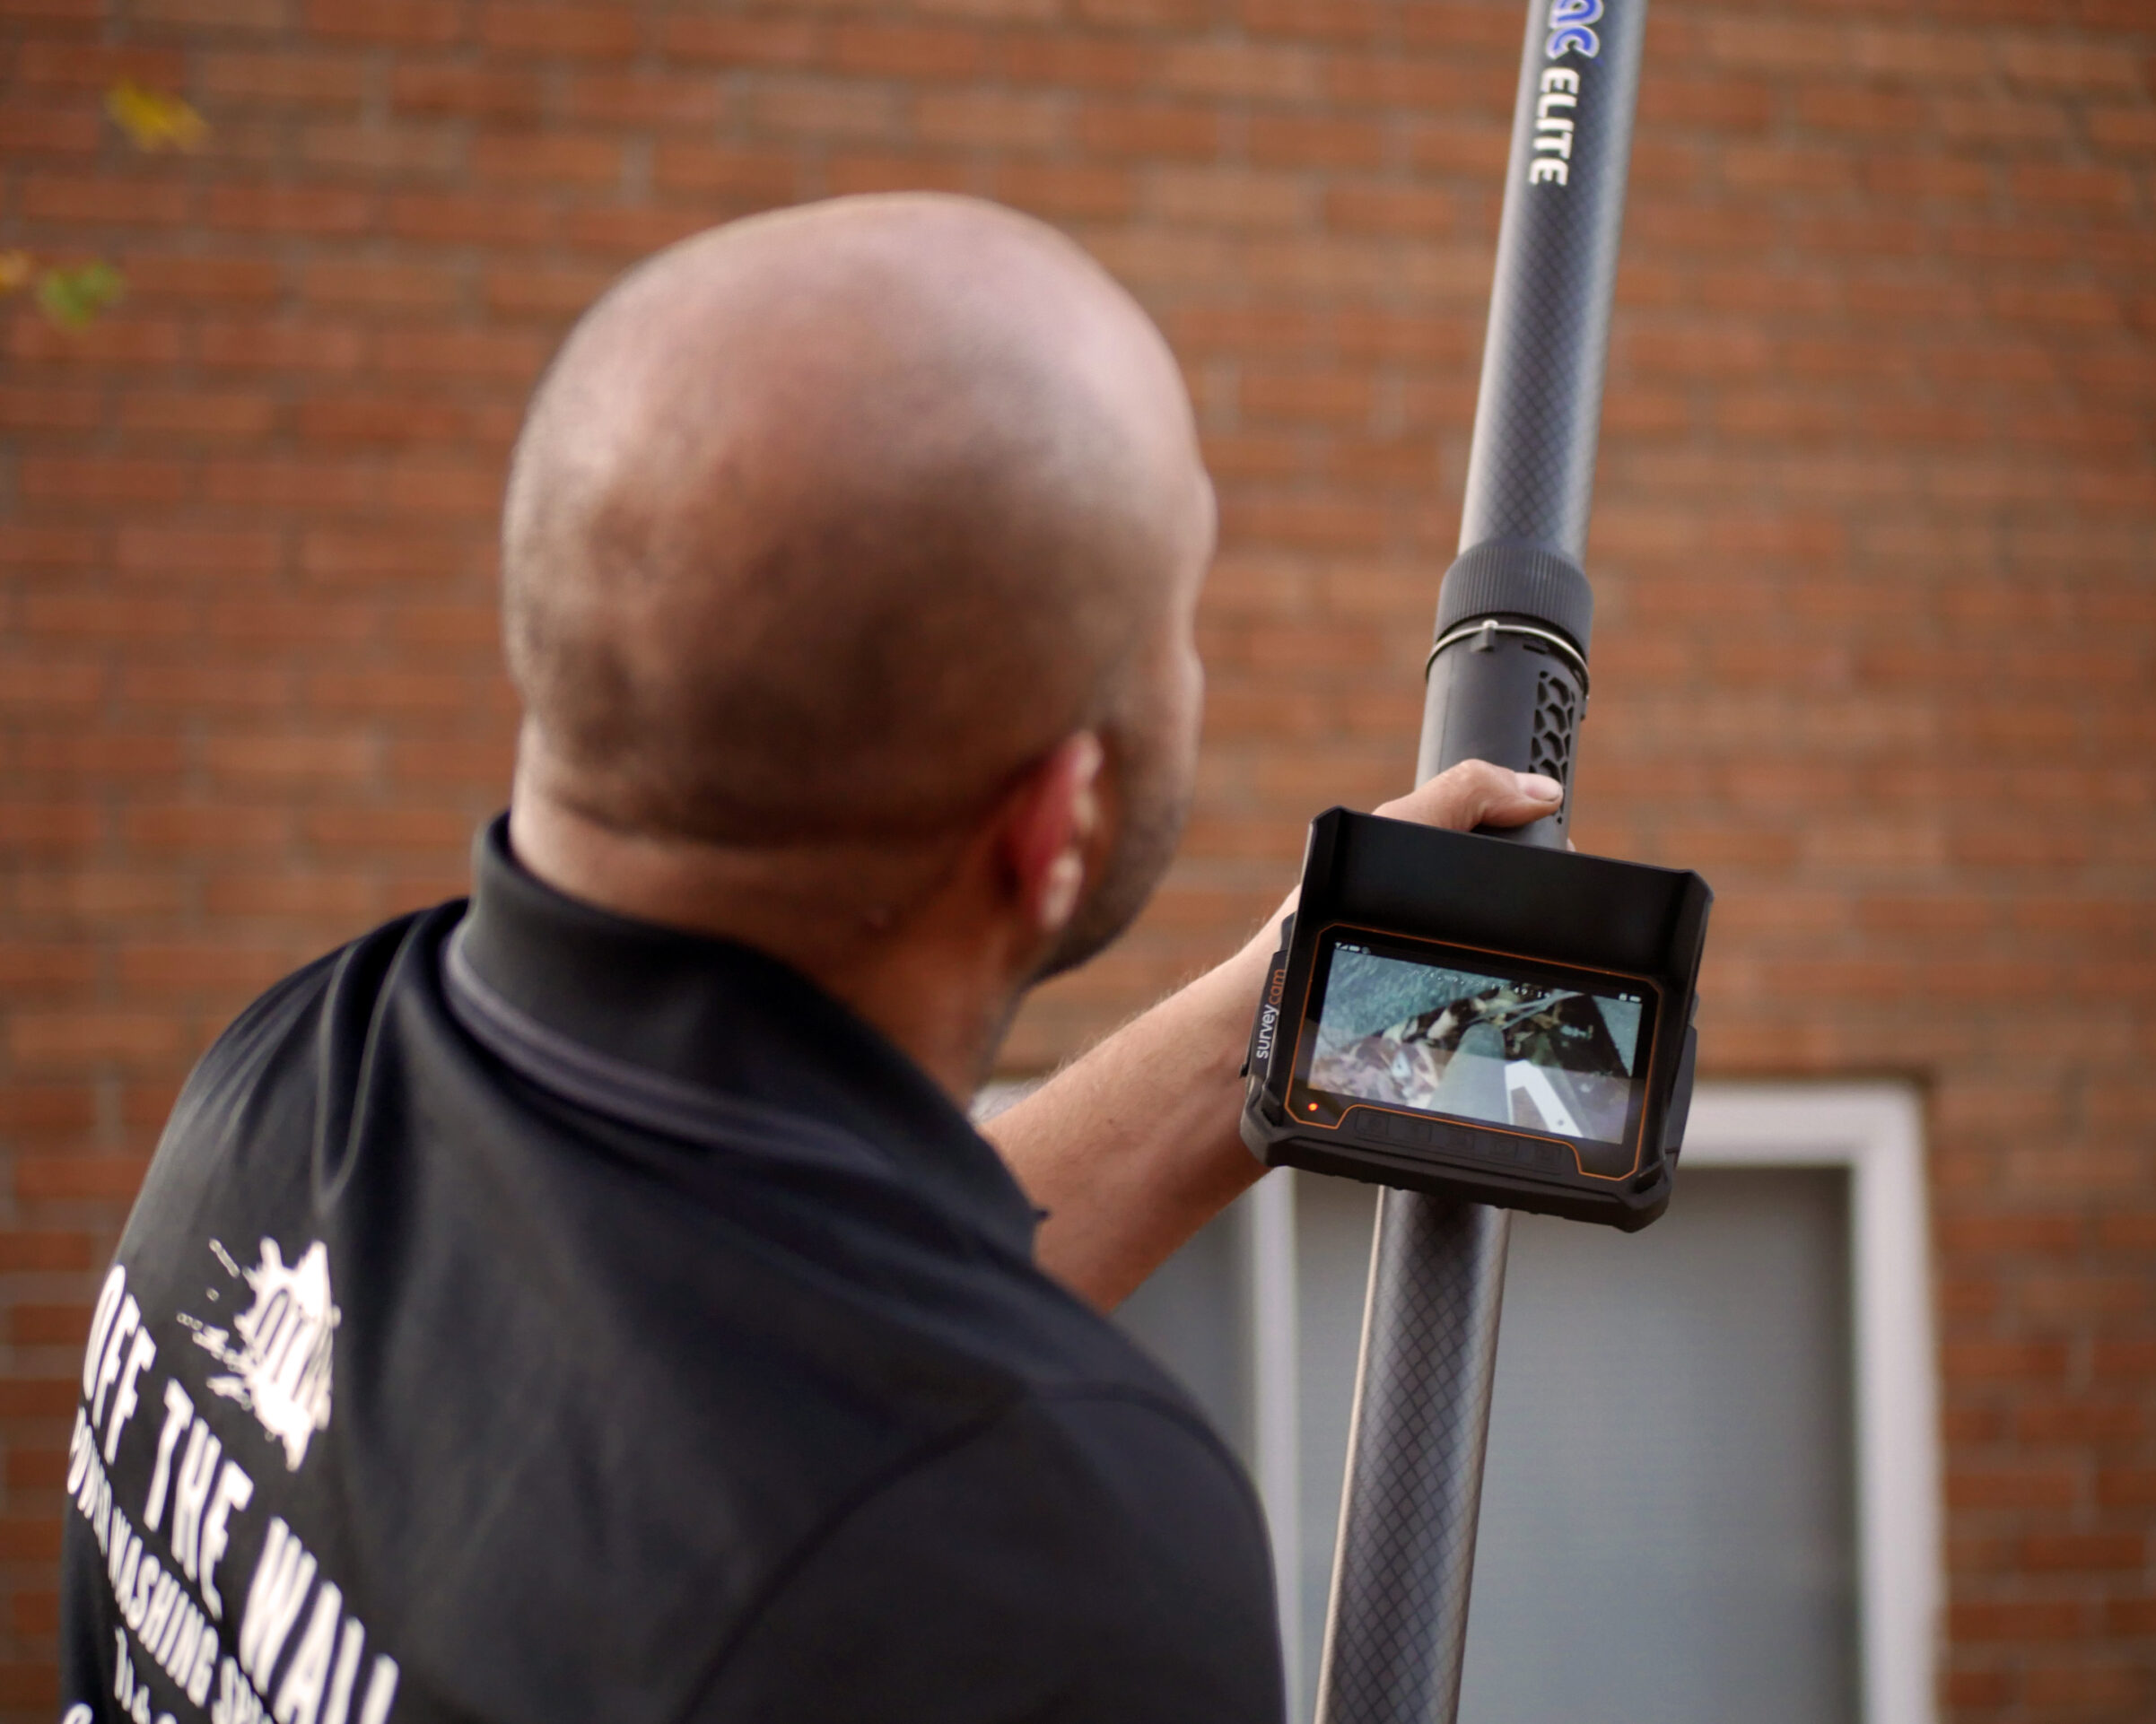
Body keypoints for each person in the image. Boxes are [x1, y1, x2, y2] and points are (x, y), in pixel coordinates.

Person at [58, 195, 1564, 1724]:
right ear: (1058, 823)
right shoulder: (1021, 1569)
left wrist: (1276, 1022)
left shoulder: (287, 1080)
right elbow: (852, 1449)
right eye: (1176, 619)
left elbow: (793, 1343)